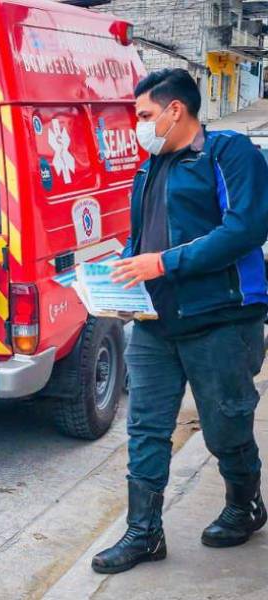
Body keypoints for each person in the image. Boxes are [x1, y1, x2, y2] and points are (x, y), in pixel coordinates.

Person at [93, 68, 268, 575]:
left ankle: (244, 504)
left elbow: (246, 228)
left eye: (145, 115)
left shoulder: (227, 153)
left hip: (222, 320)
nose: (138, 126)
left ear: (175, 110)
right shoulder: (148, 169)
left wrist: (164, 263)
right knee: (146, 428)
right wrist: (118, 278)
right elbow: (139, 242)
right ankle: (144, 533)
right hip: (155, 322)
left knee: (227, 422)